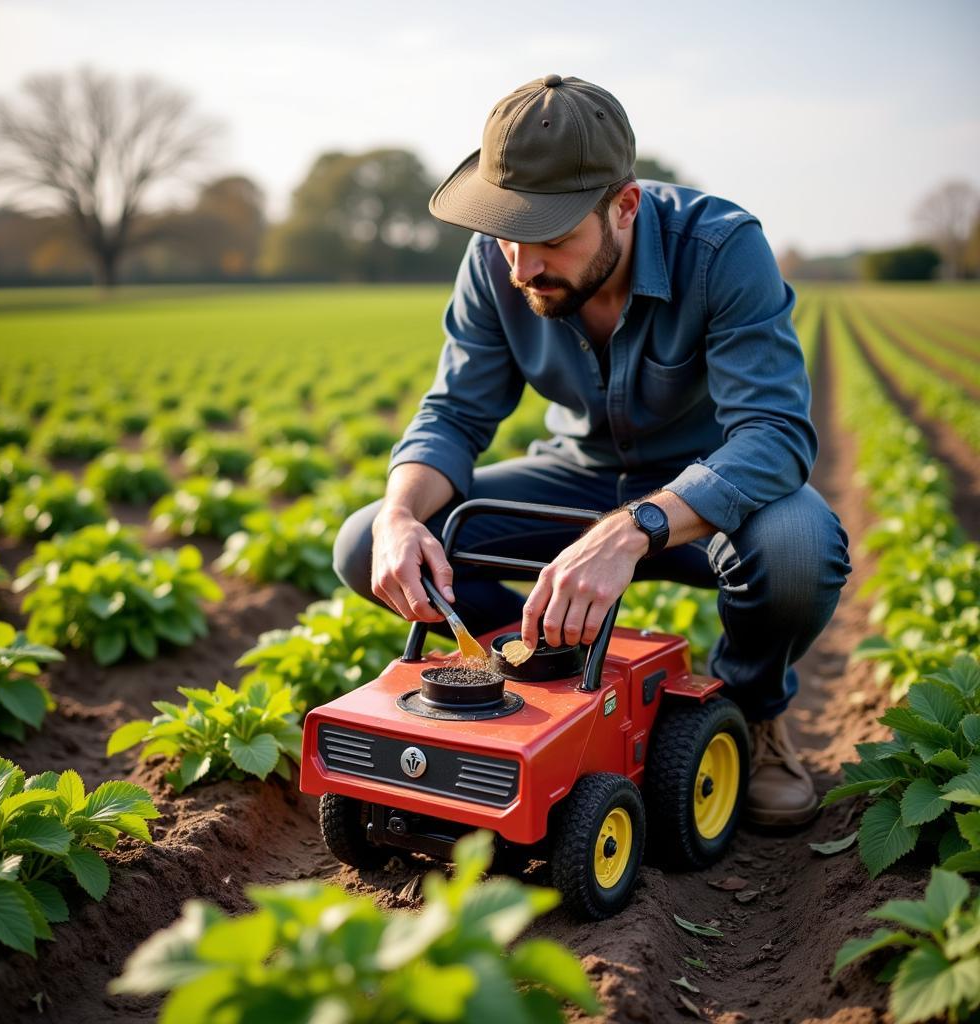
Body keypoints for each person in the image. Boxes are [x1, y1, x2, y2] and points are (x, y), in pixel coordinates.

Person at [333, 74, 852, 828]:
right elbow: (453, 411)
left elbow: (774, 434)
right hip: (575, 477)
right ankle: (530, 668)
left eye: (549, 240)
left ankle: (751, 715)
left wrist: (633, 528)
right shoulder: (497, 263)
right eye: (507, 234)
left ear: (625, 205)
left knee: (799, 545)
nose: (521, 266)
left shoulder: (721, 249)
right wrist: (400, 516)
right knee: (363, 541)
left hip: (700, 498)